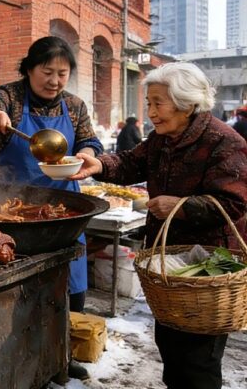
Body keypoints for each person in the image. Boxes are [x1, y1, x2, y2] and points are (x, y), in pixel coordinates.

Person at [70, 62, 247, 389]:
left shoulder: (224, 141)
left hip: (205, 271)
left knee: (198, 362)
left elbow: (234, 203)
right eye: (149, 102)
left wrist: (179, 207)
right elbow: (129, 163)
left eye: (157, 103)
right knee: (171, 347)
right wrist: (99, 165)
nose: (150, 112)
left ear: (186, 104)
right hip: (169, 268)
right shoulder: (161, 139)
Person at [0, 35, 103, 382]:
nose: (54, 81)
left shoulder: (74, 105)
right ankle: (6, 359)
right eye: (47, 72)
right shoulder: (9, 97)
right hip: (5, 209)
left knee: (70, 285)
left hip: (61, 209)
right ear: (29, 69)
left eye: (62, 73)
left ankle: (62, 355)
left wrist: (86, 154)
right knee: (12, 288)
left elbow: (90, 141)